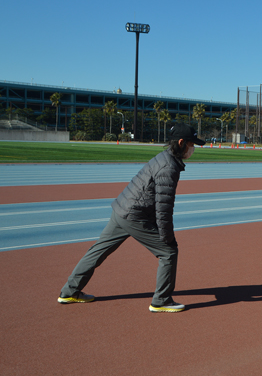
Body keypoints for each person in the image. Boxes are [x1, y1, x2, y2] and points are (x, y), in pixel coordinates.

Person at [57, 123, 205, 313]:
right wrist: (168, 237)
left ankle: (69, 291)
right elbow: (164, 207)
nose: (193, 149)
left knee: (97, 252)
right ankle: (161, 301)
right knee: (168, 252)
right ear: (182, 142)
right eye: (192, 144)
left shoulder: (163, 158)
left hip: (121, 209)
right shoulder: (169, 167)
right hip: (134, 215)